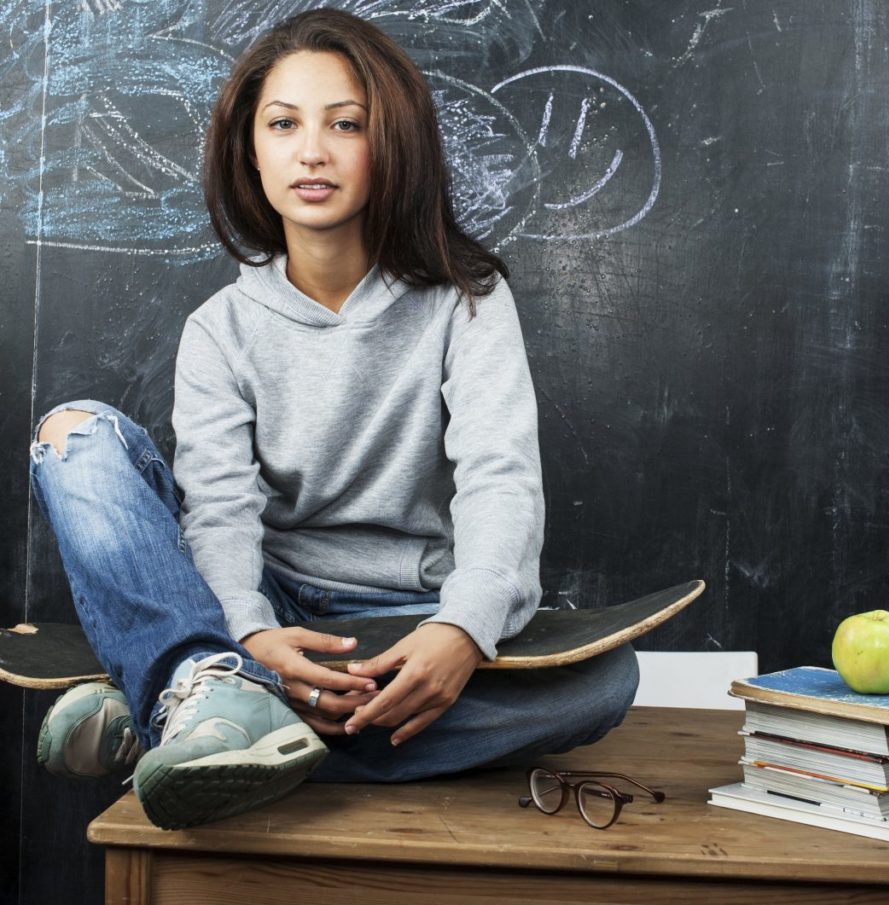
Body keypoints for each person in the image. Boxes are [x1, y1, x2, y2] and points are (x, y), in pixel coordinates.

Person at [29, 8, 638, 830]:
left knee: (608, 684)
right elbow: (218, 511)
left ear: (391, 145)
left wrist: (462, 628)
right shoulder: (219, 329)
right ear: (252, 147)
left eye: (344, 124)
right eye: (283, 124)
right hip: (268, 613)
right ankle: (206, 682)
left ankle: (181, 713)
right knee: (74, 434)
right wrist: (247, 632)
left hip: (405, 624)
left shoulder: (468, 303)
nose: (311, 151)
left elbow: (501, 480)